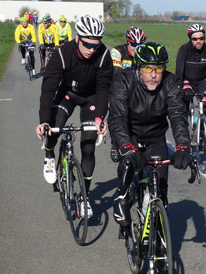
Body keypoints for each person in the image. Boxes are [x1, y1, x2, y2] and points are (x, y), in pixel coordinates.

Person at [35, 15, 113, 219]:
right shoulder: (62, 54)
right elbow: (48, 88)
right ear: (77, 38)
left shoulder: (104, 55)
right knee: (53, 127)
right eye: (87, 44)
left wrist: (100, 118)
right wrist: (44, 120)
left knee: (88, 147)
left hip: (91, 98)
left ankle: (85, 197)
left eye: (96, 45)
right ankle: (50, 155)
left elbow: (104, 89)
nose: (92, 50)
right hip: (67, 94)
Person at [108, 42, 192, 227]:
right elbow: (117, 118)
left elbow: (178, 116)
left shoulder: (171, 82)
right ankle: (122, 197)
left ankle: (160, 235)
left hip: (155, 137)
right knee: (127, 168)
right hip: (129, 135)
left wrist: (183, 147)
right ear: (138, 68)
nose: (154, 75)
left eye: (159, 69)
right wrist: (126, 148)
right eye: (148, 69)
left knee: (161, 188)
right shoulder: (123, 80)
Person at [108, 26, 147, 162]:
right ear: (127, 43)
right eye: (133, 44)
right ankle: (115, 143)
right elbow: (117, 75)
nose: (137, 48)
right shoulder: (117, 52)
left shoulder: (144, 53)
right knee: (116, 113)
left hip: (136, 88)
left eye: (140, 44)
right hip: (117, 87)